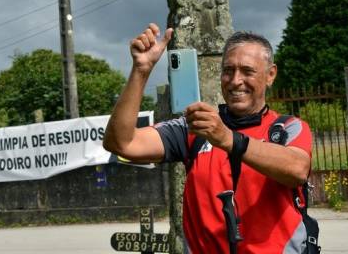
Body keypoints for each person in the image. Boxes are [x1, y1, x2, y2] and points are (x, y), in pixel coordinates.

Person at [103, 23, 314, 254]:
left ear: (270, 74)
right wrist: (140, 71)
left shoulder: (287, 128)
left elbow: (297, 169)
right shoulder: (195, 129)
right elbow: (121, 143)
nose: (235, 81)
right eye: (228, 70)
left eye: (247, 71)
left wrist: (228, 139)